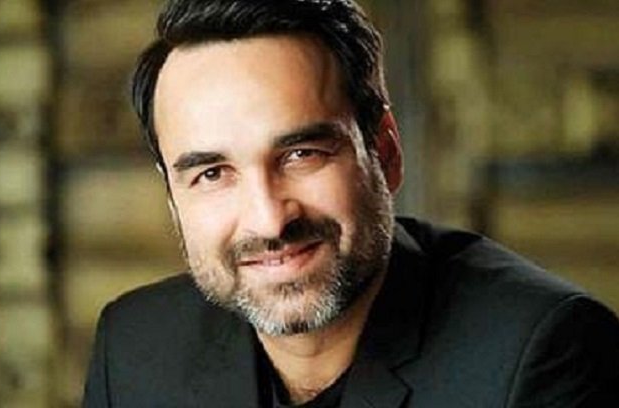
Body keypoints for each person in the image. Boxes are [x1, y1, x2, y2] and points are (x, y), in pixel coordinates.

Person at [82, 0, 619, 406]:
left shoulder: (542, 354)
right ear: (173, 197)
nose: (269, 219)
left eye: (302, 154)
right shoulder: (133, 348)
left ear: (385, 152)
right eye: (213, 174)